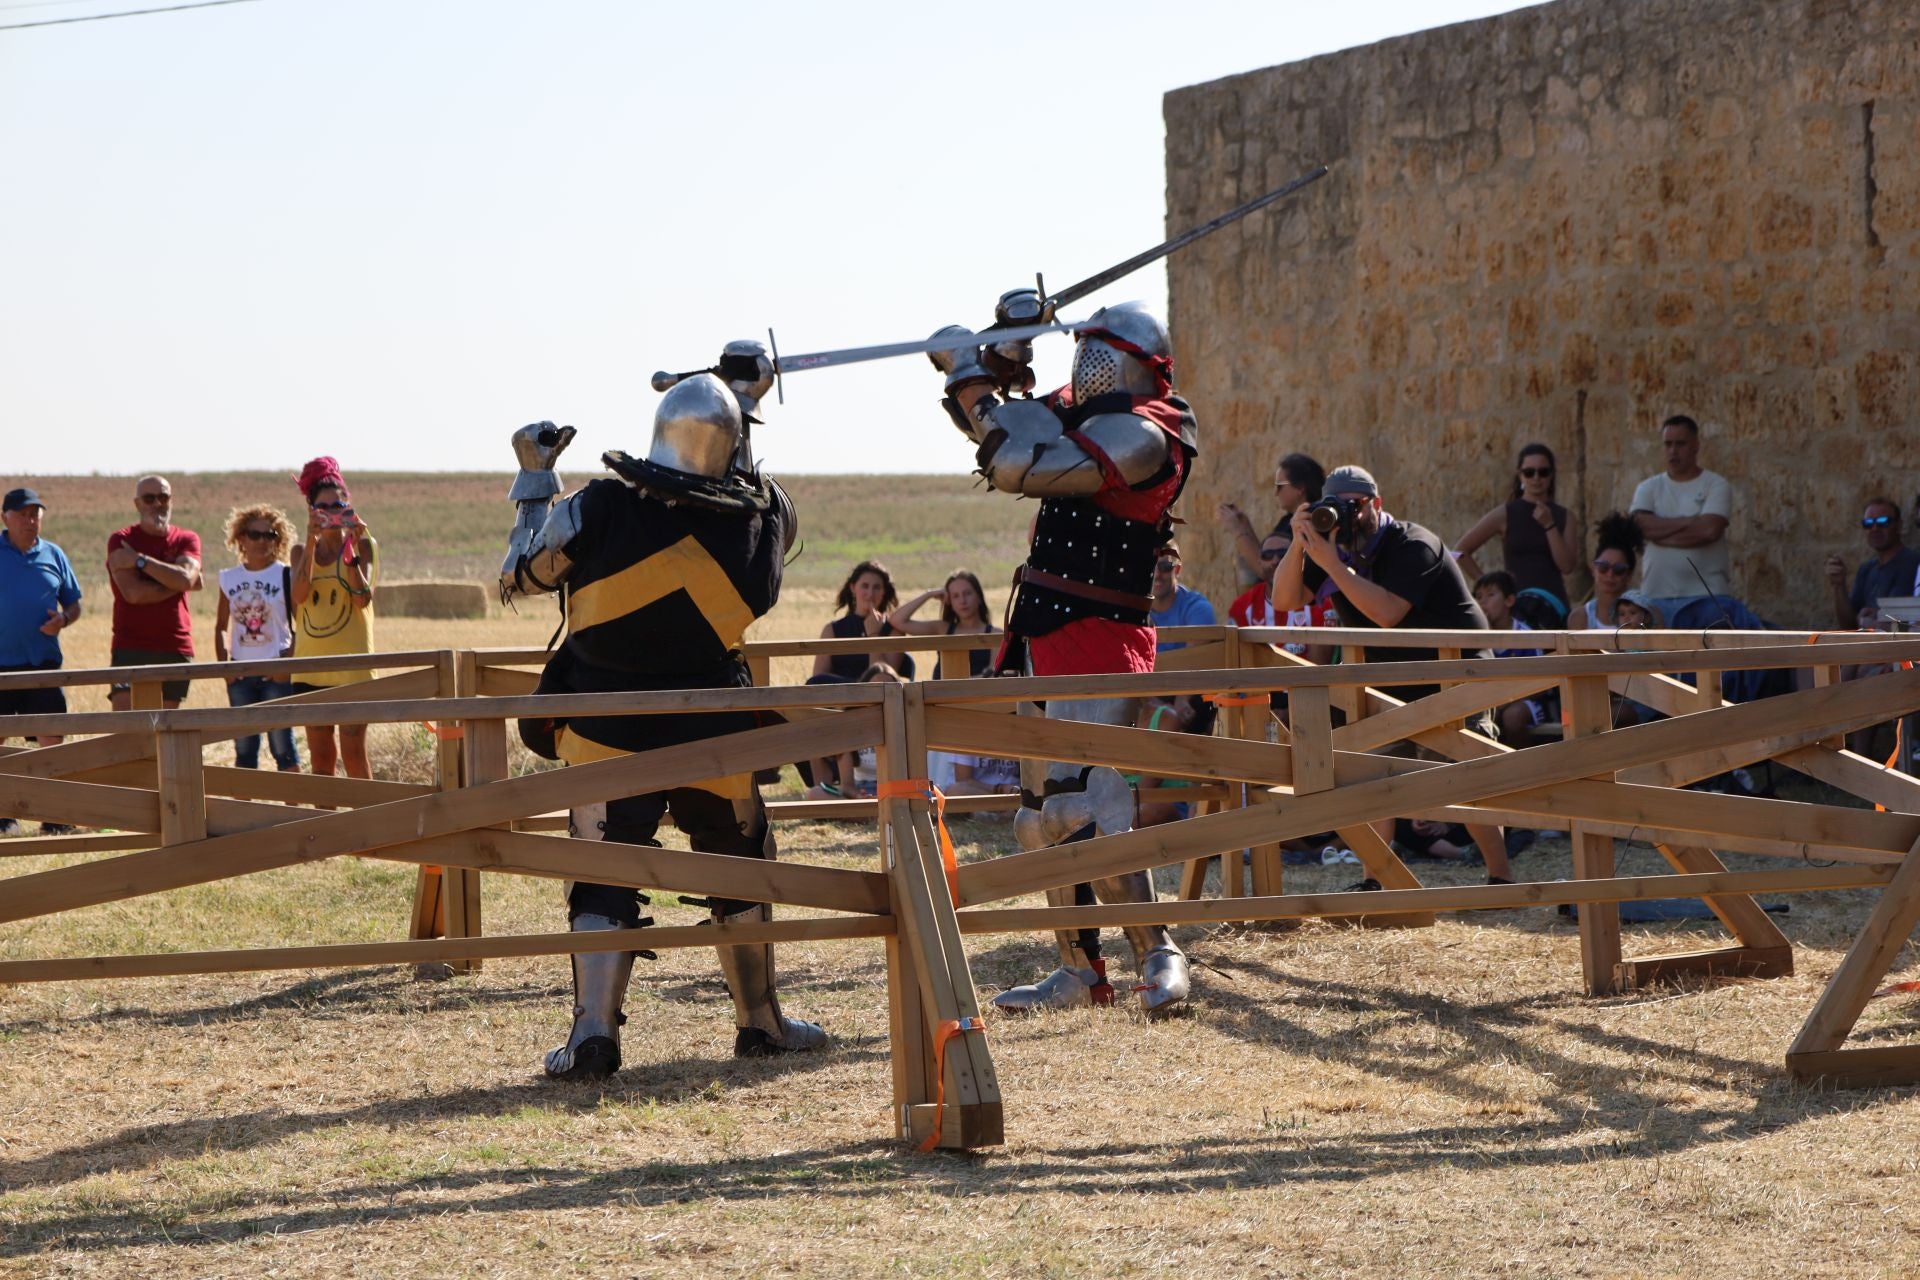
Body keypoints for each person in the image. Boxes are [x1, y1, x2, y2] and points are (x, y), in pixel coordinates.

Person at [499, 342, 826, 1078]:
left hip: (604, 727)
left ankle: (593, 1035)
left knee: (600, 871)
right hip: (713, 729)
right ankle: (761, 1020)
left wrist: (534, 475)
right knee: (742, 862)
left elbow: (516, 575)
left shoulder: (596, 508)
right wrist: (745, 410)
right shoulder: (767, 522)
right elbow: (758, 490)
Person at [929, 295, 1197, 1015]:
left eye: (1099, 349)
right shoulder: (1080, 412)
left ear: (1138, 361)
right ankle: (1079, 971)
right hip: (1044, 628)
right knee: (1039, 816)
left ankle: (1158, 951)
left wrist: (968, 374)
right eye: (1083, 348)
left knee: (1093, 803)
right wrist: (1000, 361)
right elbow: (1005, 430)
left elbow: (1018, 462)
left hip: (1104, 634)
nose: (1087, 362)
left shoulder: (1151, 432)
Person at [1270, 464, 1512, 884]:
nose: (1345, 515)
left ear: (1376, 504)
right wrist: (1300, 544)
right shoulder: (1331, 547)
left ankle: (1501, 877)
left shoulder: (1413, 543)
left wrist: (1331, 563)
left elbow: (1387, 613)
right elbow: (1285, 598)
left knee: (1464, 776)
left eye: (1355, 506)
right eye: (1336, 506)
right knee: (1369, 778)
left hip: (1454, 672)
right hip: (1386, 677)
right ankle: (1375, 880)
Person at [288, 459, 378, 780]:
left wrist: (351, 546)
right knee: (321, 757)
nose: (330, 513)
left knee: (354, 752)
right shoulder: (300, 552)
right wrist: (312, 542)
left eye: (337, 506)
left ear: (348, 506)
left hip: (353, 668)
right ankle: (323, 828)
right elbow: (298, 596)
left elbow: (361, 598)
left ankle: (365, 825)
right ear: (310, 510)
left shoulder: (363, 546)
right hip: (311, 666)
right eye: (321, 507)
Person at [0, 488, 83, 825]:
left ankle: (56, 815)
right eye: (22, 514)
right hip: (1, 664)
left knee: (52, 738)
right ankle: (4, 814)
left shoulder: (54, 554)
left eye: (35, 514)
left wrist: (64, 620)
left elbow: (74, 603)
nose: (30, 521)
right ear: (5, 517)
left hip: (43, 662)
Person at [803, 560, 911, 797]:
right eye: (864, 586)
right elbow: (817, 680)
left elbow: (884, 678)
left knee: (877, 686)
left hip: (876, 707)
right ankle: (827, 781)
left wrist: (873, 634)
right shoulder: (833, 629)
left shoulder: (893, 630)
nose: (870, 593)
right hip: (840, 707)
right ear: (852, 588)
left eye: (876, 587)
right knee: (813, 694)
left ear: (885, 592)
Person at [214, 504, 301, 772]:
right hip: (240, 672)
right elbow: (222, 626)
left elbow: (301, 623)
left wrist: (288, 663)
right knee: (244, 749)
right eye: (255, 534)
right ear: (241, 538)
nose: (263, 541)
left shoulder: (285, 574)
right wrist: (224, 666)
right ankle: (243, 812)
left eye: (270, 535)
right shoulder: (229, 578)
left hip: (276, 668)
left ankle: (295, 813)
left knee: (283, 747)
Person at [105, 475, 203, 711]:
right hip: (130, 644)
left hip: (174, 644)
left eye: (163, 497)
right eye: (150, 498)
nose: (157, 504)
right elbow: (134, 594)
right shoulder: (121, 540)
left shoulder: (186, 539)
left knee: (165, 730)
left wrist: (139, 561)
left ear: (171, 501)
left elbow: (186, 578)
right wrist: (178, 583)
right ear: (137, 504)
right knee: (126, 727)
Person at [1453, 442, 1579, 609]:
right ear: (1520, 475)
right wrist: (1489, 586)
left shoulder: (1565, 516)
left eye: (1543, 472)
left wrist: (1549, 526)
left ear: (1551, 475)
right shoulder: (1506, 513)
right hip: (1516, 606)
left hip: (1553, 605)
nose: (1536, 478)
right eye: (1529, 472)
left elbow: (1567, 566)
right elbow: (1460, 551)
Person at [1630, 414, 1734, 616]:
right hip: (1656, 595)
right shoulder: (1648, 488)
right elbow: (1640, 527)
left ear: (1695, 445)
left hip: (1707, 596)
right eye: (1667, 444)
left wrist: (1659, 532)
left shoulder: (1716, 485)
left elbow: (1709, 530)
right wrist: (1692, 520)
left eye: (1680, 444)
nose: (1673, 451)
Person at [1472, 571, 1553, 749]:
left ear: (1509, 601)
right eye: (1478, 597)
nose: (1482, 602)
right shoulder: (1475, 638)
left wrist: (1504, 701)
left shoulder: (1525, 636)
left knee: (1512, 717)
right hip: (1491, 701)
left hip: (1527, 701)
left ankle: (1523, 768)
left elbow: (1542, 682)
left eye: (1491, 595)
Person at [1216, 451, 1326, 579]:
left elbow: (1268, 571)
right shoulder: (1289, 519)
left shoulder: (1309, 523)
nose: (1276, 493)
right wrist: (1245, 527)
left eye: (1280, 487)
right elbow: (1265, 557)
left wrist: (1238, 532)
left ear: (1300, 488)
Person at [1825, 497, 1920, 630]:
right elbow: (1848, 626)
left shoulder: (1913, 564)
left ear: (1899, 526)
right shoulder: (1866, 569)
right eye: (1868, 523)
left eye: (1883, 522)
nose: (1875, 528)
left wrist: (1870, 619)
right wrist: (1839, 585)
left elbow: (1903, 624)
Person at [888, 569, 996, 679]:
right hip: (940, 694)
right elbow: (897, 620)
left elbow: (994, 674)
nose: (963, 601)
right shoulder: (942, 629)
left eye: (967, 593)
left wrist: (958, 683)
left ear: (979, 597)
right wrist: (929, 594)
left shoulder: (995, 634)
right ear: (950, 602)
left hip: (977, 693)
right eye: (955, 596)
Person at [1568, 513, 1645, 631]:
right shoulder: (1580, 618)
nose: (1610, 574)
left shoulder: (1647, 616)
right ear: (1594, 569)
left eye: (1618, 570)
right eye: (1603, 567)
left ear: (1629, 574)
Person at [1148, 539, 1216, 652]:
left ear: (1177, 570)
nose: (1157, 574)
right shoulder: (1134, 609)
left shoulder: (1197, 609)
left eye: (1165, 567)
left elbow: (1190, 663)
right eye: (1150, 566)